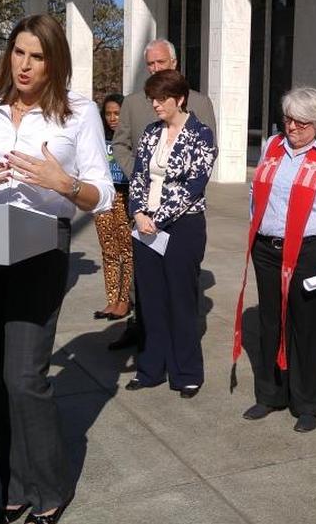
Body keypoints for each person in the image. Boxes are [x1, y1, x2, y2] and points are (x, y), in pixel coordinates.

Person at [0, 14, 115, 524]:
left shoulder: (78, 115)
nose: (24, 65)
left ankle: (51, 489)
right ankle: (14, 487)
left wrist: (62, 183)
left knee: (23, 375)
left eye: (37, 56)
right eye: (19, 53)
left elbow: (101, 195)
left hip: (41, 248)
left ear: (54, 62)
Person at [233, 86, 316, 433]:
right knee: (271, 322)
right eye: (288, 119)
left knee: (306, 327)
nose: (292, 128)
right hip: (268, 249)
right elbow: (257, 194)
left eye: (301, 123)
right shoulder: (273, 145)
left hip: (310, 250)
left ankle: (307, 403)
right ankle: (271, 393)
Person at [107, 39, 218, 350]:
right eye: (150, 64)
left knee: (181, 282)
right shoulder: (133, 102)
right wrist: (140, 179)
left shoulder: (199, 102)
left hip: (183, 210)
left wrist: (175, 190)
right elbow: (121, 146)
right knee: (146, 279)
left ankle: (181, 343)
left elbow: (210, 152)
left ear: (175, 62)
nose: (155, 69)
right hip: (144, 206)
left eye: (160, 63)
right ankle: (145, 335)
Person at [124, 69, 217, 398]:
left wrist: (157, 218)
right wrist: (138, 212)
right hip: (145, 224)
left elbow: (194, 186)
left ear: (179, 99)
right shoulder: (150, 133)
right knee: (150, 301)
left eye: (161, 99)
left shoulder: (201, 135)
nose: (155, 104)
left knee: (180, 300)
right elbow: (138, 176)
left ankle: (187, 372)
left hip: (183, 227)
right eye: (152, 98)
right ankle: (150, 368)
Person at [93, 93, 134, 321]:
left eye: (117, 113)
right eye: (108, 114)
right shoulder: (99, 137)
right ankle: (111, 299)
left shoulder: (131, 137)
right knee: (108, 251)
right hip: (103, 198)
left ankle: (124, 299)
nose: (112, 118)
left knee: (126, 251)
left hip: (125, 196)